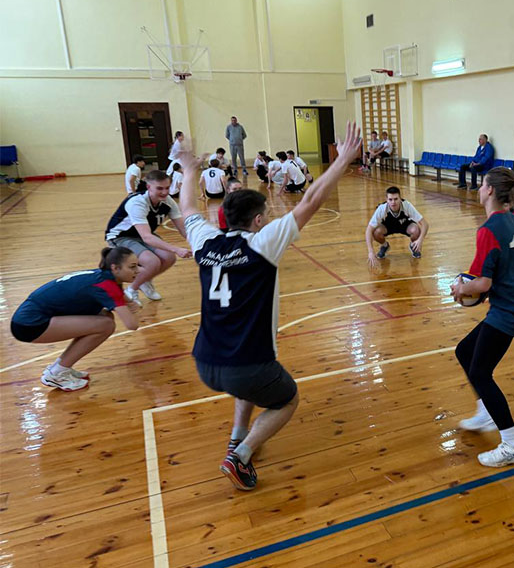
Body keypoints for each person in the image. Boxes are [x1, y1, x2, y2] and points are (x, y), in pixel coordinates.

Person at [175, 121, 362, 490]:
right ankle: (240, 456)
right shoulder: (262, 244)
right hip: (245, 365)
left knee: (249, 385)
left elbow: (187, 206)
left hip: (205, 362)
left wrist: (189, 170)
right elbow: (311, 201)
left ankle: (237, 436)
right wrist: (342, 161)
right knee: (286, 400)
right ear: (258, 220)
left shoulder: (204, 240)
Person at [450, 166, 514, 467]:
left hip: (509, 311)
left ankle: (513, 446)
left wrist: (461, 288)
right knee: (465, 351)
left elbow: (482, 284)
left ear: (489, 190)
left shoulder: (489, 229)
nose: (478, 189)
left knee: (480, 372)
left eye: (481, 185)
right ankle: (486, 412)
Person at [9, 247, 140, 391]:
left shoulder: (102, 275)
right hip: (29, 325)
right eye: (132, 267)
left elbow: (119, 294)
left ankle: (60, 368)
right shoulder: (107, 285)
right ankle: (56, 374)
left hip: (27, 318)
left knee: (104, 316)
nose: (138, 271)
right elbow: (132, 325)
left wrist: (129, 302)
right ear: (115, 268)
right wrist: (133, 309)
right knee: (106, 325)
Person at [105, 170, 192, 306]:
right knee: (152, 262)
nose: (164, 192)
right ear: (148, 187)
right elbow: (147, 237)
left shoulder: (168, 202)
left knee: (169, 257)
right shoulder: (137, 202)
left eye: (167, 188)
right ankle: (131, 290)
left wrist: (201, 244)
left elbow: (183, 229)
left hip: (142, 234)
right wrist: (176, 249)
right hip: (120, 236)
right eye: (159, 188)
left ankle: (144, 280)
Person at [366, 186, 429, 266]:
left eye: (396, 199)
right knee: (376, 232)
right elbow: (369, 230)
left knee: (416, 230)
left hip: (404, 225)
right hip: (388, 227)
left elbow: (425, 224)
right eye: (390, 199)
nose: (393, 202)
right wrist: (370, 251)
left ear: (400, 198)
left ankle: (413, 246)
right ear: (386, 199)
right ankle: (384, 246)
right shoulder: (382, 208)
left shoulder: (407, 205)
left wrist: (420, 240)